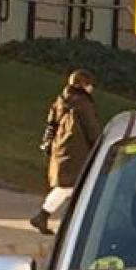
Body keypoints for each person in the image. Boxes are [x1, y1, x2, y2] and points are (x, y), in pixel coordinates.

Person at [29, 70, 101, 235]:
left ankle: (48, 217)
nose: (91, 88)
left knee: (71, 186)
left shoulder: (61, 100)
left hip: (62, 149)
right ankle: (46, 217)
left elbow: (50, 123)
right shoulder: (83, 104)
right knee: (71, 186)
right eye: (89, 85)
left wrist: (48, 143)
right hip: (77, 151)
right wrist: (98, 145)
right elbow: (92, 128)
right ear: (83, 85)